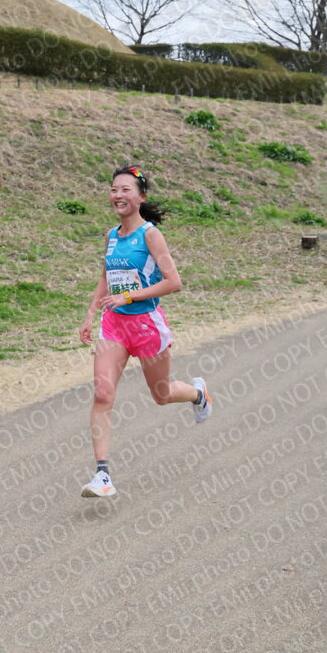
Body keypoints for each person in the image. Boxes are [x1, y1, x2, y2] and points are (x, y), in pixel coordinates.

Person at [78, 165, 212, 498]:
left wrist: (129, 296)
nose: (118, 195)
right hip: (114, 325)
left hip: (146, 326)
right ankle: (102, 476)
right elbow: (106, 277)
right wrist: (91, 313)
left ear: (141, 197)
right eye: (114, 189)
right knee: (102, 394)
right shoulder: (111, 236)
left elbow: (174, 282)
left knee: (162, 394)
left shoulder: (150, 235)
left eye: (125, 190)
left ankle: (198, 394)